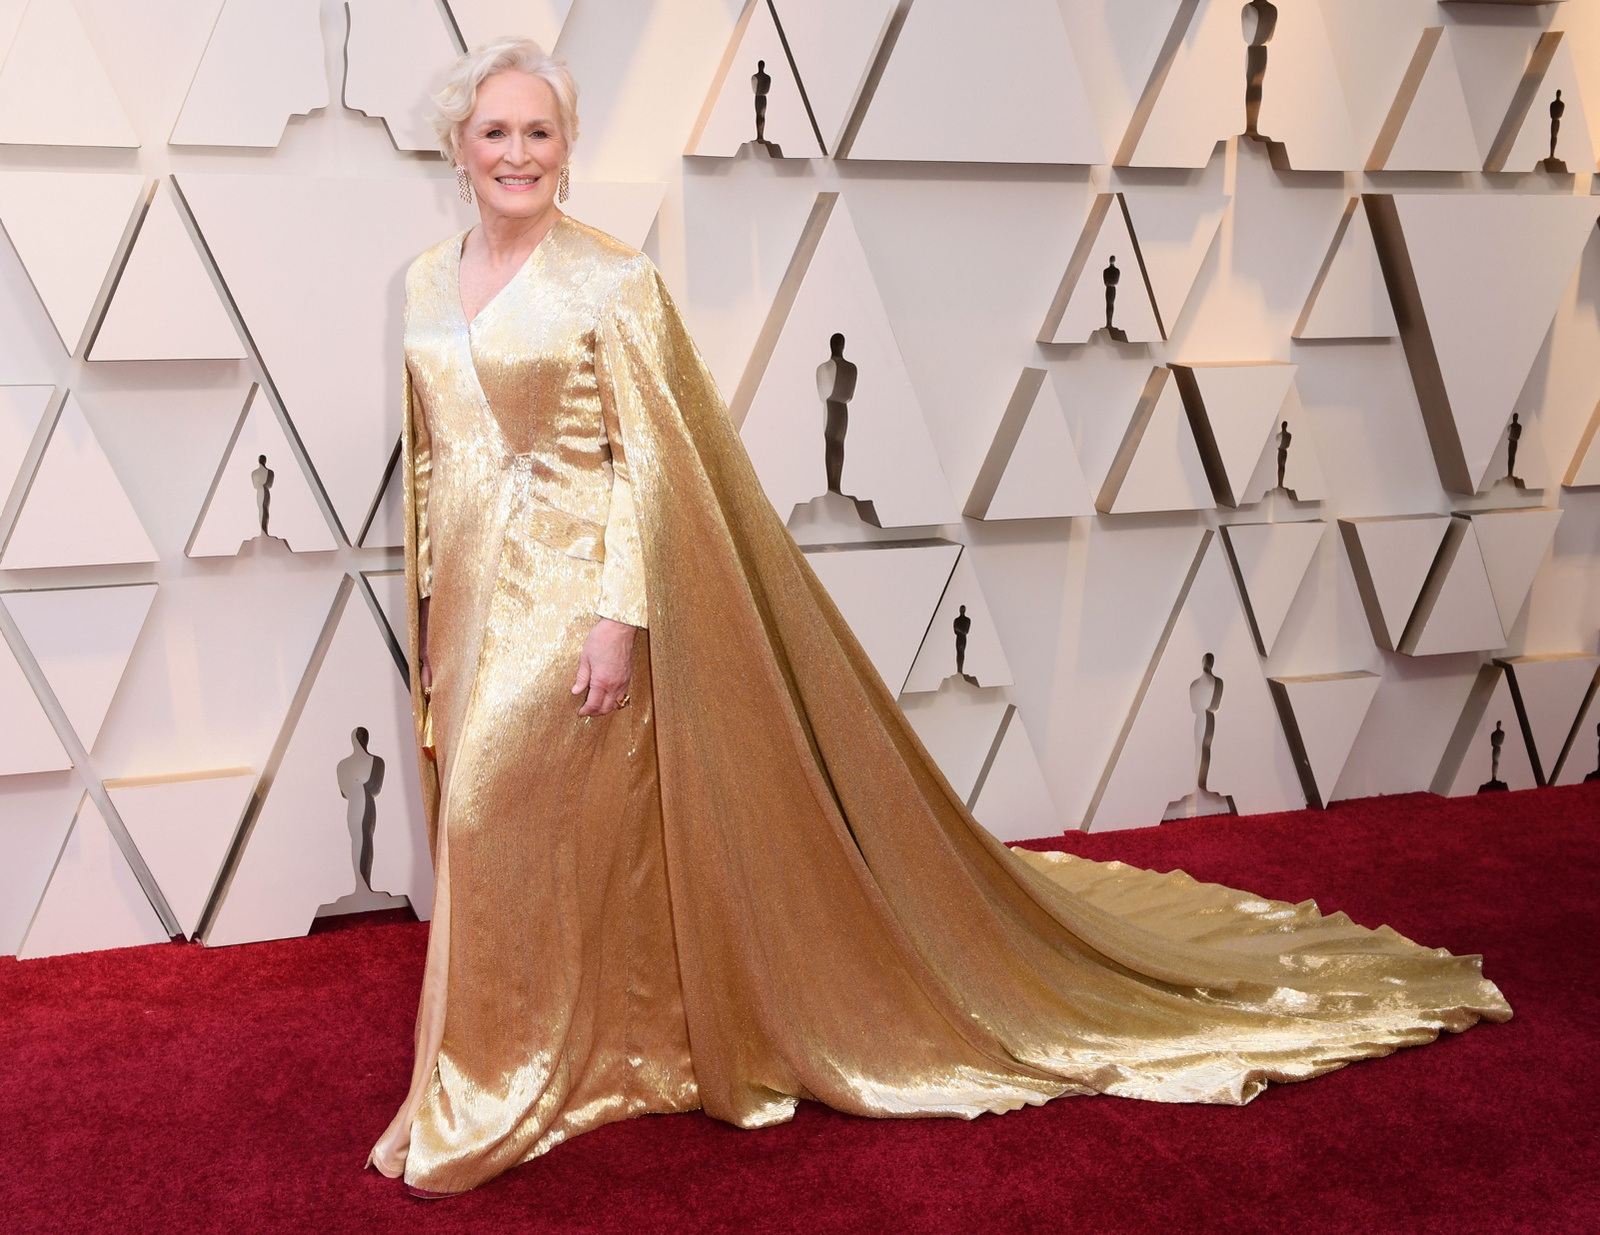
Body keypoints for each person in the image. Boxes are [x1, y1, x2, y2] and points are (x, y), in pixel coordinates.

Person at [368, 37, 1510, 1197]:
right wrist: (429, 606)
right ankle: (596, 1041)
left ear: (567, 147)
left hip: (574, 598)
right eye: (496, 131)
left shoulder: (612, 281)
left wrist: (621, 614)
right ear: (460, 146)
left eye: (540, 131)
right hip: (466, 600)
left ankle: (489, 1082)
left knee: (489, 814)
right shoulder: (422, 282)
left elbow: (654, 467)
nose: (518, 152)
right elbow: (432, 459)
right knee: (538, 834)